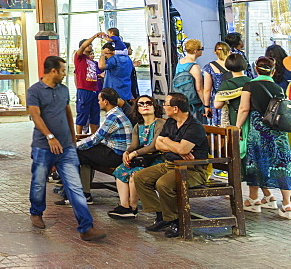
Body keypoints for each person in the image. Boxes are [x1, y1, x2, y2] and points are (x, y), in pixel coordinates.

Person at [26, 55, 106, 241]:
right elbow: (36, 116)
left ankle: (86, 227)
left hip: (66, 148)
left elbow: (68, 112)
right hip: (43, 147)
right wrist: (50, 137)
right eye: (62, 71)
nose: (64, 74)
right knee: (39, 182)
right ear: (53, 71)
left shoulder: (63, 90)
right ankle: (36, 212)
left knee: (75, 186)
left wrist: (72, 139)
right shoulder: (34, 91)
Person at [132, 91, 211, 237]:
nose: (163, 107)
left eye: (166, 104)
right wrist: (173, 145)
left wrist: (168, 142)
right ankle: (162, 215)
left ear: (175, 108)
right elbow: (158, 145)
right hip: (170, 164)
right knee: (140, 177)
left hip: (192, 170)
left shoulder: (194, 126)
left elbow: (182, 149)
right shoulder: (170, 122)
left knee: (163, 184)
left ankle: (176, 221)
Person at [236, 56, 291, 217]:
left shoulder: (250, 85)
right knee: (281, 164)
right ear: (273, 71)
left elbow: (244, 109)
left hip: (258, 130)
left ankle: (254, 200)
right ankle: (287, 204)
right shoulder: (278, 88)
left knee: (256, 162)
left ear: (255, 69)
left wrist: (237, 127)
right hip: (278, 131)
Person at [108, 95, 166, 219]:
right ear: (137, 109)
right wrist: (127, 152)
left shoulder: (160, 123)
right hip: (142, 159)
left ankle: (133, 207)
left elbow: (153, 146)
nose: (145, 106)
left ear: (154, 106)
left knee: (135, 175)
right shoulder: (138, 126)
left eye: (148, 103)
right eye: (141, 104)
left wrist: (135, 154)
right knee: (120, 171)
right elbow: (134, 145)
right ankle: (124, 205)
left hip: (157, 159)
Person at [73, 88, 132, 202]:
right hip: (115, 151)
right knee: (84, 153)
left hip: (117, 155)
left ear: (106, 101)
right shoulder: (116, 113)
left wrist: (73, 146)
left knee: (76, 153)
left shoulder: (113, 117)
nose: (98, 102)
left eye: (99, 100)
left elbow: (96, 138)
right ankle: (84, 193)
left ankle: (79, 193)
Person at [74, 36, 102, 135]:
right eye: (88, 45)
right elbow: (82, 47)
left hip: (95, 90)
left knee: (95, 114)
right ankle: (79, 135)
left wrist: (99, 75)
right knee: (82, 113)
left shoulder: (92, 61)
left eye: (91, 45)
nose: (90, 46)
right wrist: (94, 37)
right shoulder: (79, 58)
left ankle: (94, 136)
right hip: (84, 89)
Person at [213, 53, 251, 127]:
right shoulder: (252, 82)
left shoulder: (227, 84)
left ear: (228, 67)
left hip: (234, 119)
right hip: (250, 119)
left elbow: (217, 105)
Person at [98, 41, 135, 113]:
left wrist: (102, 54)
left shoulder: (114, 59)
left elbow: (101, 66)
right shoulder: (128, 59)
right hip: (125, 92)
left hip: (113, 93)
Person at [201, 41, 232, 125]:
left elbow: (207, 90)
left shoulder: (209, 67)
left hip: (218, 101)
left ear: (215, 52)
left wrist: (206, 106)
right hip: (234, 99)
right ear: (229, 52)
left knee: (219, 130)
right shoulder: (234, 65)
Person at [172, 40, 204, 119]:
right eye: (201, 49)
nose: (202, 50)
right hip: (195, 103)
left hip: (182, 100)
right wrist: (206, 104)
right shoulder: (194, 67)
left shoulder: (180, 62)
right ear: (196, 51)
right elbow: (199, 89)